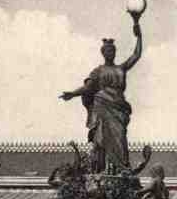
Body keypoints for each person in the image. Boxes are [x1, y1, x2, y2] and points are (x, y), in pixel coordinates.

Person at [60, 23, 143, 173]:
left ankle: (122, 169)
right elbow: (88, 88)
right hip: (102, 107)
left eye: (113, 50)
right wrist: (73, 93)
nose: (111, 53)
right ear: (103, 53)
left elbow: (136, 55)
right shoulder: (98, 71)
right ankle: (103, 171)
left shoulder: (121, 68)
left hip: (119, 109)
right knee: (101, 139)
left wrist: (139, 36)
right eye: (108, 51)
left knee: (120, 138)